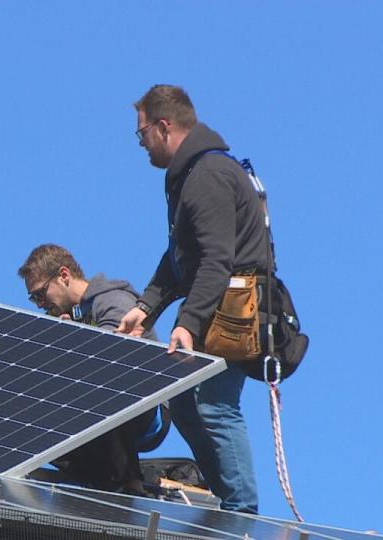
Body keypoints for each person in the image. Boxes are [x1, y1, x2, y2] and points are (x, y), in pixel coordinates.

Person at [115, 84, 268, 514]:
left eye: (141, 133)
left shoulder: (207, 175)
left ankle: (242, 513)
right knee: (185, 403)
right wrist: (145, 308)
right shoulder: (188, 176)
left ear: (164, 127)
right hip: (211, 308)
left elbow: (217, 260)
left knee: (214, 406)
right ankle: (231, 503)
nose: (141, 144)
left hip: (229, 312)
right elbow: (180, 255)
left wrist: (187, 322)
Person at [0, 243, 169, 495]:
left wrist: (74, 340)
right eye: (33, 298)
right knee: (30, 403)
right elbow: (24, 364)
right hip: (94, 409)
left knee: (98, 387)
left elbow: (115, 358)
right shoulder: (61, 315)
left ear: (63, 276)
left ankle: (128, 483)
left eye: (40, 294)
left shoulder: (111, 300)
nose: (39, 304)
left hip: (144, 408)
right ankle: (100, 479)